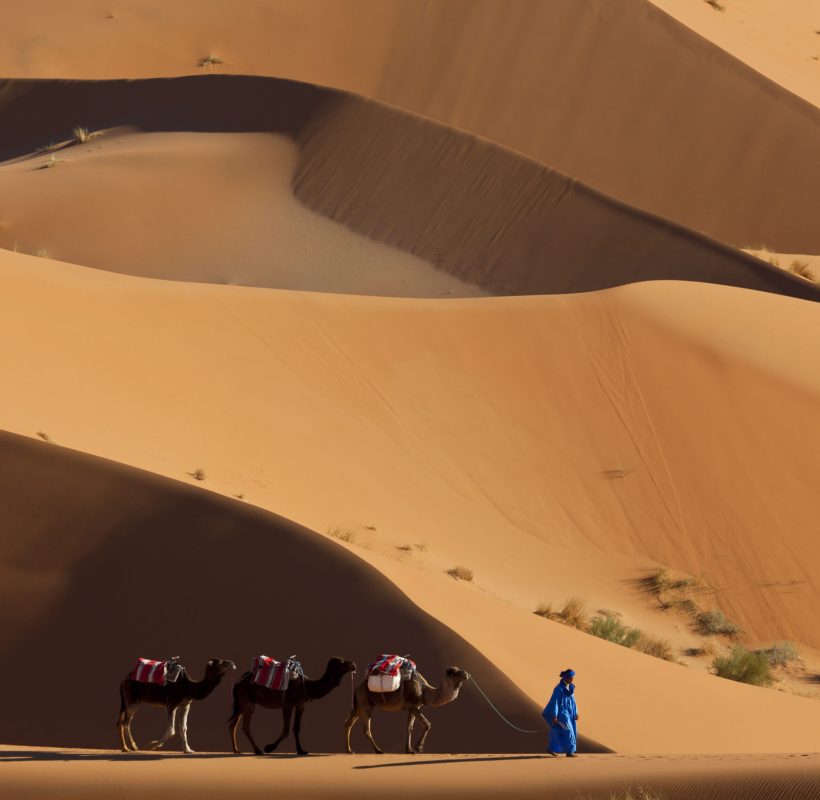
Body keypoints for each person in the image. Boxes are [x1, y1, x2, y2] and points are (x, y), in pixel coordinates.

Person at [542, 668, 578, 757]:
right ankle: (570, 751)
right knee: (569, 731)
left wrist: (576, 712)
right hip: (562, 714)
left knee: (558, 730)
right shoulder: (559, 689)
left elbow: (573, 702)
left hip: (570, 713)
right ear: (567, 678)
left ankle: (552, 748)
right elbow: (555, 702)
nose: (572, 679)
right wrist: (554, 715)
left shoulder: (570, 688)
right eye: (571, 677)